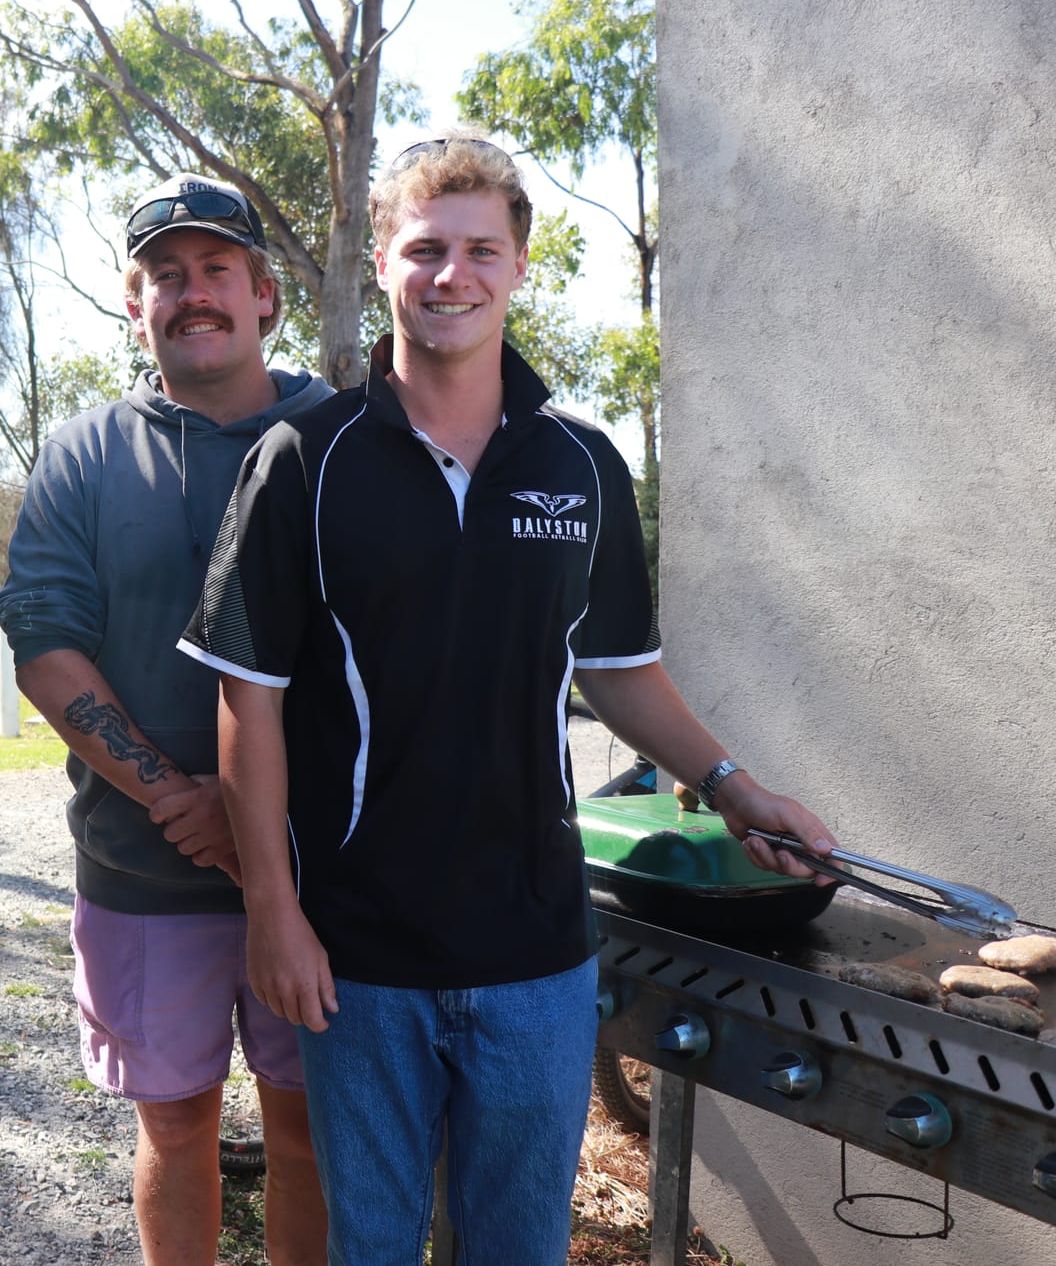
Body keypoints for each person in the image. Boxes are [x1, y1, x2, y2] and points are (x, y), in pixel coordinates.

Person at [178, 133, 840, 1265]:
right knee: (371, 1246)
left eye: (481, 249)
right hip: (360, 954)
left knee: (517, 1248)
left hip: (536, 950)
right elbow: (252, 705)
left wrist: (734, 787)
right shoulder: (303, 457)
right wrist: (272, 913)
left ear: (520, 267)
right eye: (425, 248)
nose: (453, 274)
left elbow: (618, 668)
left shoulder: (579, 464)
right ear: (381, 261)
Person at [0, 173, 332, 1265]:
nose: (192, 293)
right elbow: (42, 635)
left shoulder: (341, 438)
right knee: (175, 1123)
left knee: (308, 1129)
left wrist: (259, 818)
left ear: (265, 293)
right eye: (164, 275)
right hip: (143, 867)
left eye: (215, 269)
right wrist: (180, 798)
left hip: (322, 871)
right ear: (134, 302)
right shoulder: (86, 453)